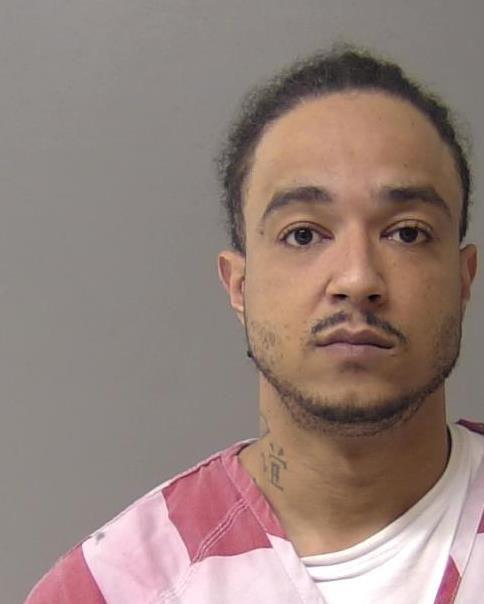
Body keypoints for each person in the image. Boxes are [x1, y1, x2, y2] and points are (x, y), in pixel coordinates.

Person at [26, 44, 483, 604]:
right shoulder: (112, 589)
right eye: (303, 234)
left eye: (407, 233)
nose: (358, 278)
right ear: (239, 286)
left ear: (464, 278)